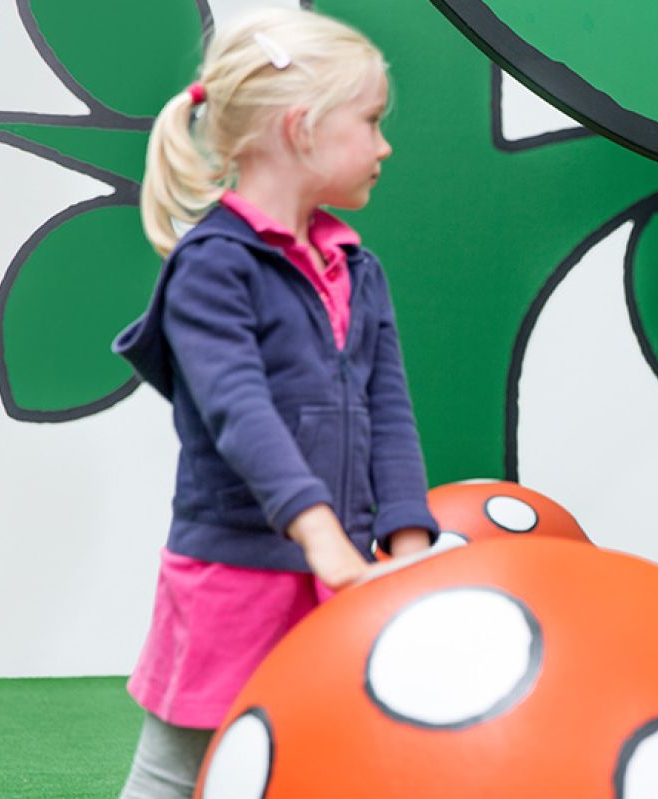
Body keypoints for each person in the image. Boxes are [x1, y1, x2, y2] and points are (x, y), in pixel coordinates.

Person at [111, 9, 438, 796]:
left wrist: (406, 535)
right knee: (180, 768)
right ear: (301, 128)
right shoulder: (211, 267)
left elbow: (389, 410)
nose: (384, 146)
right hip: (235, 575)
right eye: (371, 122)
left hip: (342, 576)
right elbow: (238, 412)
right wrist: (318, 532)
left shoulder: (358, 267)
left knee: (321, 758)